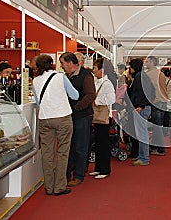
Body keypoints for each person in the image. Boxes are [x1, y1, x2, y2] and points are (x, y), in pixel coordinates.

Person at [32, 54, 79, 196]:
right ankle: (59, 186)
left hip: (45, 118)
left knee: (47, 154)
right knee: (63, 152)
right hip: (62, 117)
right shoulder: (60, 77)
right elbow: (75, 95)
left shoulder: (35, 80)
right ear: (52, 64)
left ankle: (48, 186)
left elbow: (38, 101)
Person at [59, 52, 96, 187]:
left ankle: (79, 175)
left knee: (80, 146)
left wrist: (76, 108)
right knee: (70, 146)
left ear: (70, 63)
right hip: (71, 115)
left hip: (82, 116)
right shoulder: (66, 76)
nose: (61, 66)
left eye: (62, 63)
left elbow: (91, 95)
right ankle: (67, 174)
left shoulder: (86, 75)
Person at [89, 58, 116, 179]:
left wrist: (96, 101)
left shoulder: (107, 83)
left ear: (102, 70)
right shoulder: (98, 81)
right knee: (98, 143)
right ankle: (98, 168)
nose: (94, 70)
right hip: (98, 117)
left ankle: (105, 169)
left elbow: (111, 99)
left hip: (105, 117)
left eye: (95, 68)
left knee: (103, 144)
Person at [126, 58, 154, 166]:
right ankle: (142, 156)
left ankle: (144, 158)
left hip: (141, 108)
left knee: (142, 134)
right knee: (142, 133)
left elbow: (141, 93)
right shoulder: (143, 76)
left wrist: (140, 106)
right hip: (143, 107)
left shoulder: (139, 77)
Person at [145, 56, 167, 156]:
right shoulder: (160, 73)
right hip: (163, 101)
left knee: (157, 126)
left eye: (147, 61)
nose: (145, 63)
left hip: (156, 101)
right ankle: (155, 146)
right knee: (158, 125)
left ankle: (161, 149)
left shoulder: (149, 74)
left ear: (152, 62)